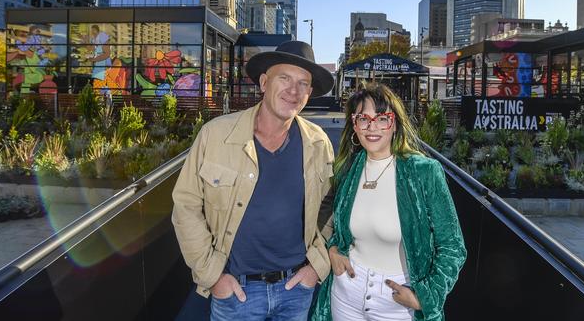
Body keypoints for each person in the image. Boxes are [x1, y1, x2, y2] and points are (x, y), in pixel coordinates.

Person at [172, 40, 335, 321]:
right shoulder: (215, 135)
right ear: (263, 82)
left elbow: (332, 208)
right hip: (236, 292)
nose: (293, 91)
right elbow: (186, 206)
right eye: (284, 78)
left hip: (297, 289)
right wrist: (212, 276)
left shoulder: (318, 143)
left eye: (303, 83)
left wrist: (315, 268)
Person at [311, 83, 467, 321]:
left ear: (394, 124)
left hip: (397, 304)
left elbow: (453, 247)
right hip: (345, 294)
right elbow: (337, 224)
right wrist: (333, 248)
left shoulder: (423, 172)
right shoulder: (349, 168)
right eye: (363, 118)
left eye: (382, 118)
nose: (372, 127)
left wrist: (425, 297)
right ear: (354, 125)